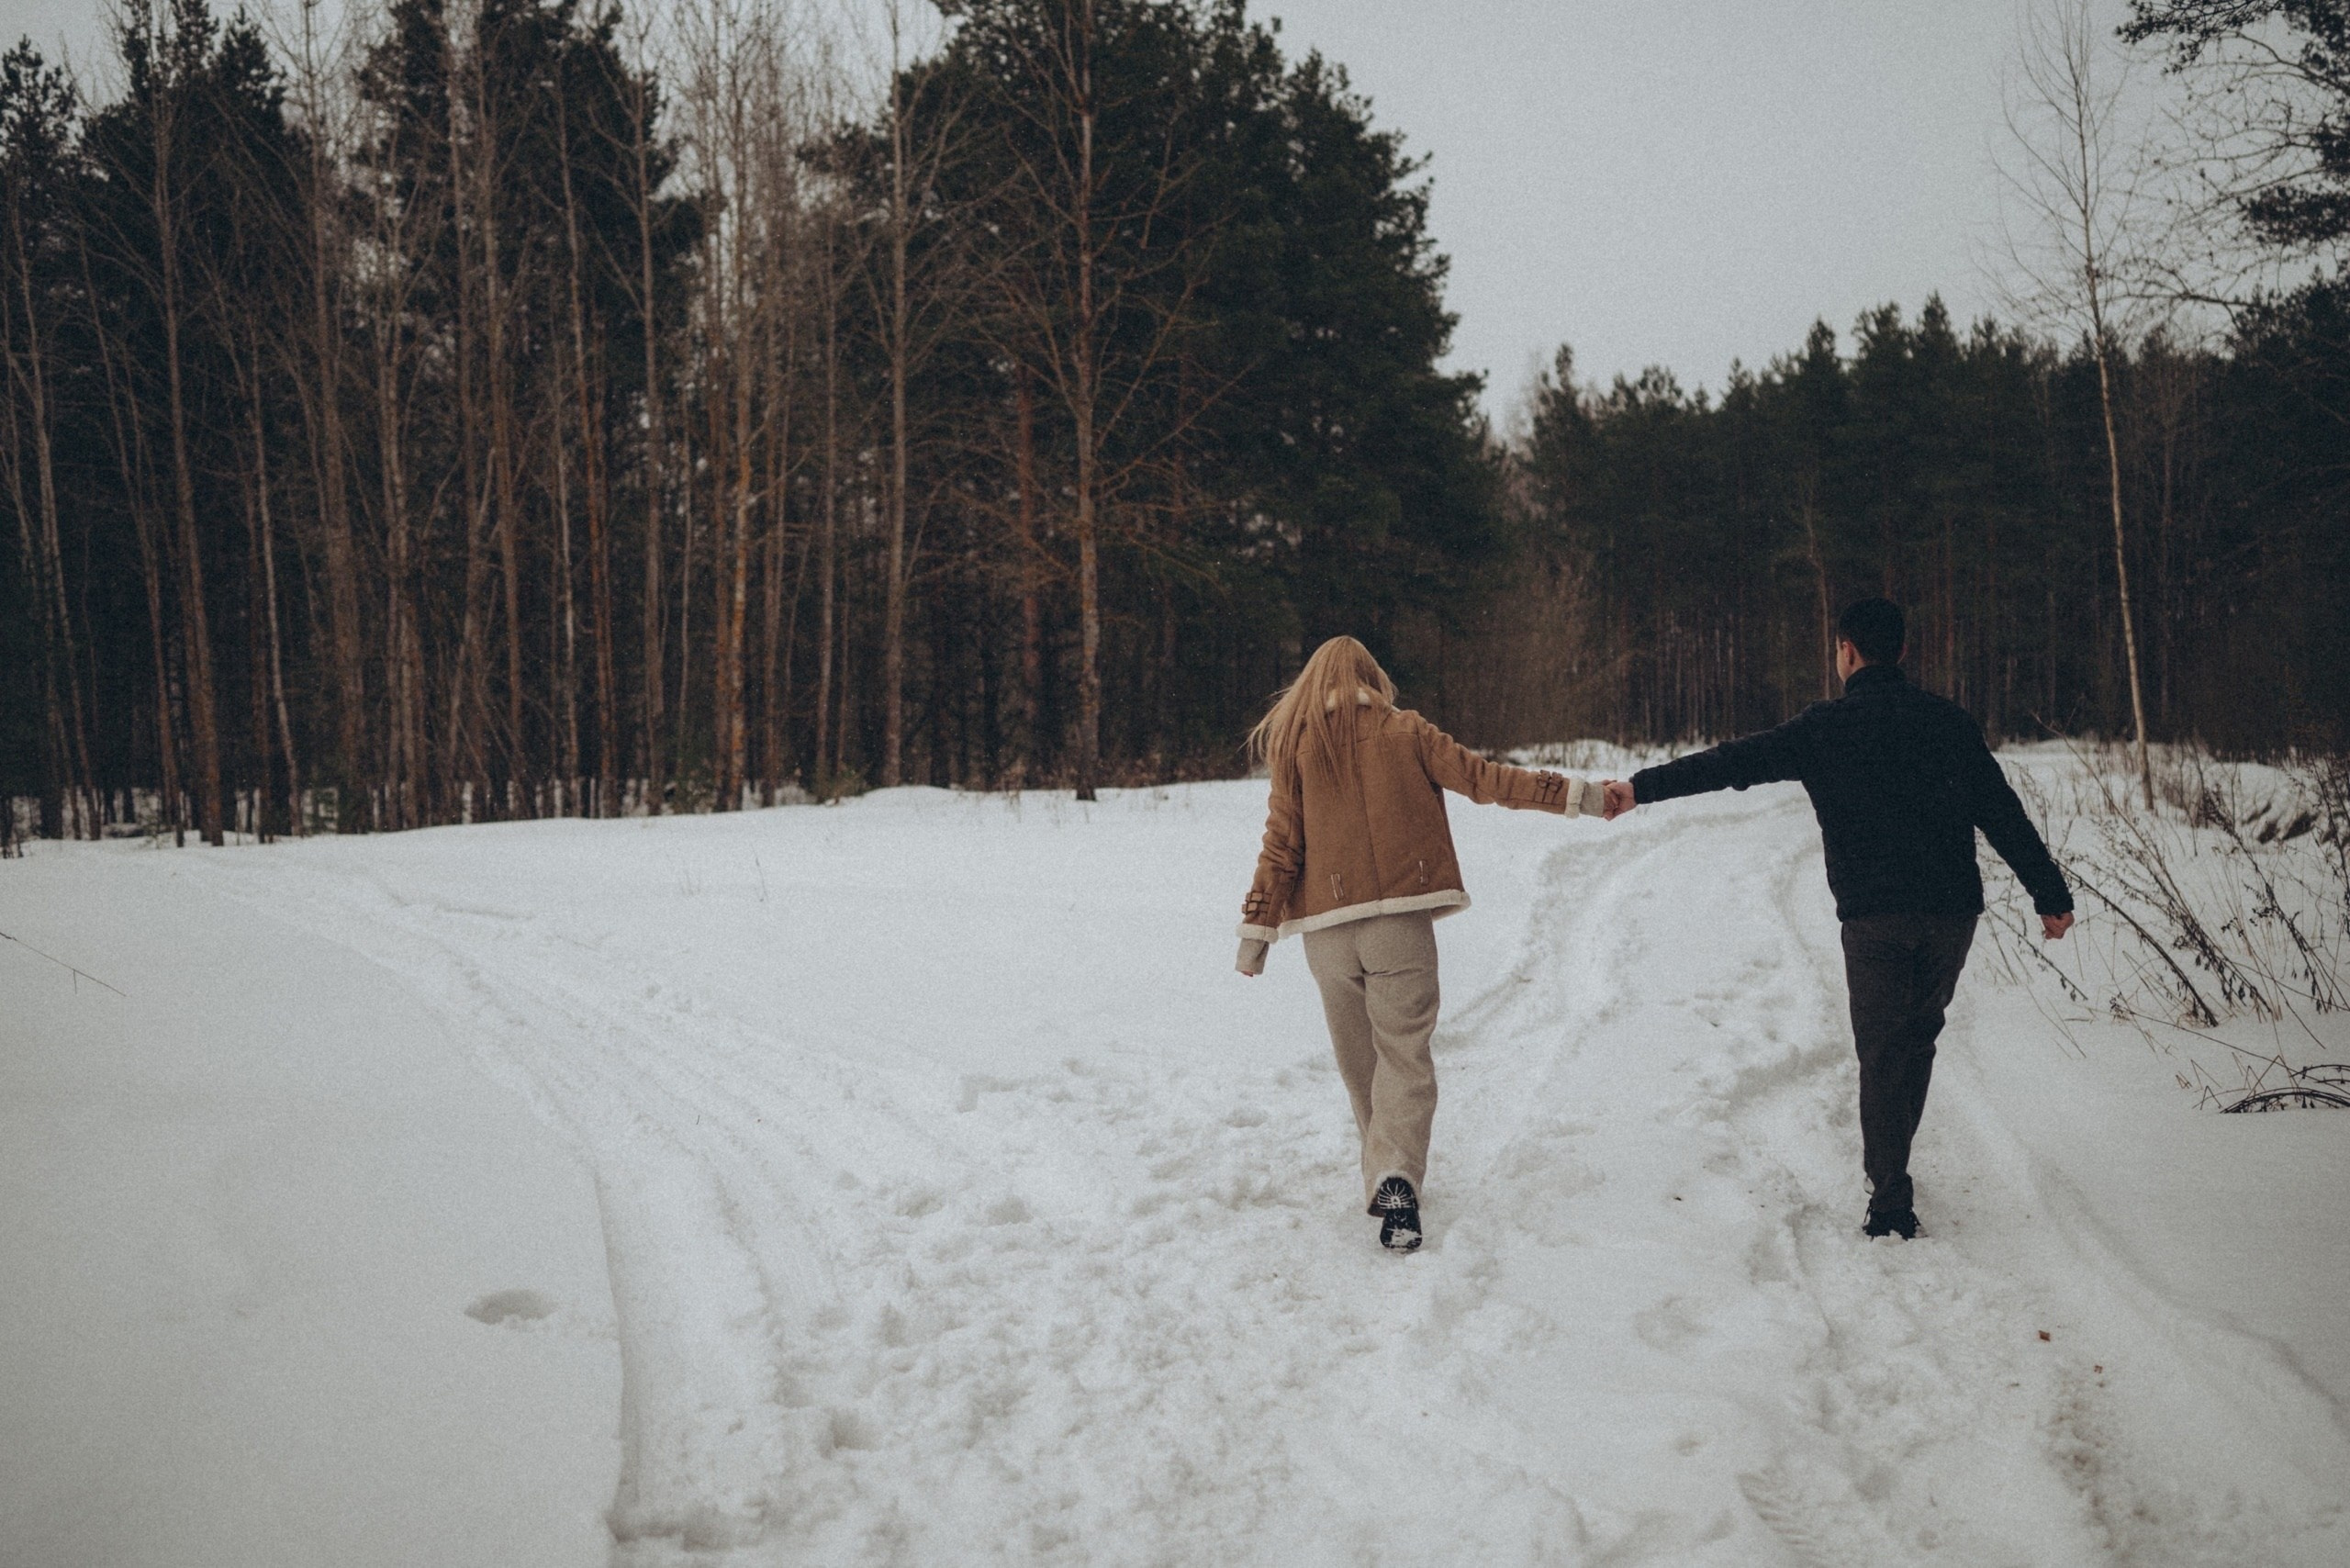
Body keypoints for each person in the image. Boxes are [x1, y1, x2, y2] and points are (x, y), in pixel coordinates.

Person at [1601, 598, 2075, 1239]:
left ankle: (1890, 1199)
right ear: (1902, 653)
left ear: (1846, 651)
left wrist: (1641, 788)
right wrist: (2050, 894)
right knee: (1918, 1037)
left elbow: (1732, 763)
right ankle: (1893, 1166)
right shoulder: (1949, 723)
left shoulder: (1824, 727)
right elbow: (2002, 813)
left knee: (1882, 1051)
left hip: (1874, 917)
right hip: (1948, 913)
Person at [1235, 635, 1608, 1251]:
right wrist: (1582, 796)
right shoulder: (1404, 731)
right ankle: (1396, 1173)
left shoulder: (1297, 747)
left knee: (1362, 1066)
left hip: (1326, 936)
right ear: (1371, 678)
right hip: (1396, 927)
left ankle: (1382, 1173)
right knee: (1404, 1057)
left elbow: (1281, 848)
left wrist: (1256, 935)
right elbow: (1488, 780)